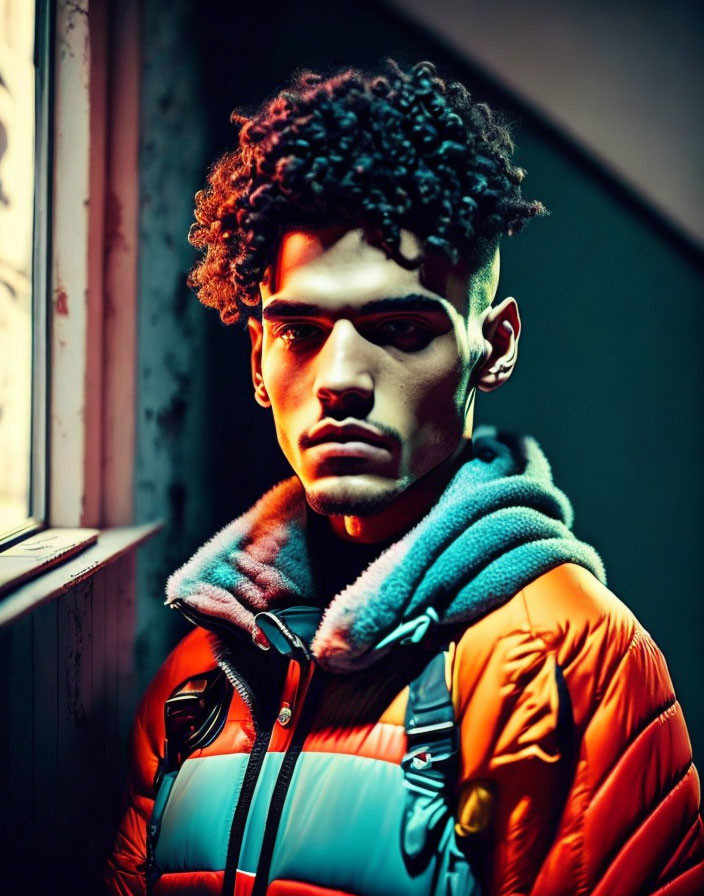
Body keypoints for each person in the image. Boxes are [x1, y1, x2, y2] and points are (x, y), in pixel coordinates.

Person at [106, 60, 704, 896]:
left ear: (491, 348)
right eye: (301, 333)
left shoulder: (576, 666)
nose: (341, 377)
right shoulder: (200, 678)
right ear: (256, 360)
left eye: (398, 328)